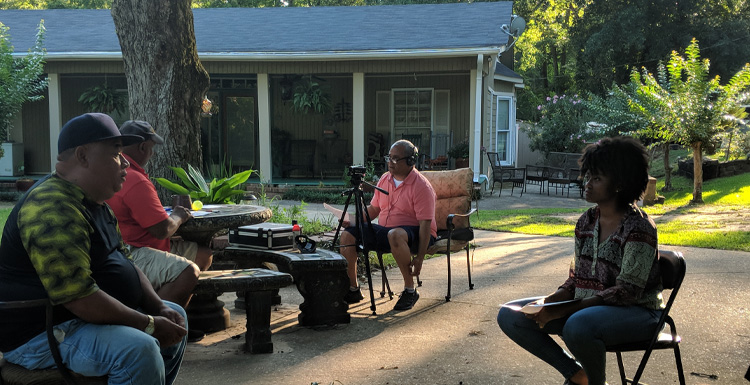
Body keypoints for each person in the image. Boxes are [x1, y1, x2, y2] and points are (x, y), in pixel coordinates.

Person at [0, 113, 188, 384]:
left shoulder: (95, 203)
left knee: (175, 314)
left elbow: (127, 262)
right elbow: (79, 298)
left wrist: (157, 305)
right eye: (116, 153)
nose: (125, 162)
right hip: (44, 332)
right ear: (83, 156)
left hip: (79, 321)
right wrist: (147, 323)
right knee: (139, 350)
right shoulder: (51, 207)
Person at [497, 136, 663, 385]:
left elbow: (627, 292)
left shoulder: (638, 227)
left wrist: (563, 310)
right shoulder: (586, 222)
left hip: (639, 313)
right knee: (511, 315)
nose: (586, 184)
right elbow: (578, 279)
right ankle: (578, 375)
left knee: (577, 325)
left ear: (619, 184)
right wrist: (549, 301)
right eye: (587, 176)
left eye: (596, 179)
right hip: (586, 310)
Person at [107, 120, 210, 309]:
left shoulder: (111, 173)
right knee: (188, 271)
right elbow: (161, 230)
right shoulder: (135, 180)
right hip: (134, 251)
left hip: (121, 247)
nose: (152, 154)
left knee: (203, 254)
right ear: (143, 147)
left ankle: (182, 314)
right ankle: (160, 321)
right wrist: (179, 215)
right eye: (152, 149)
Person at [340, 139, 437, 311]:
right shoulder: (385, 179)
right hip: (387, 232)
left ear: (410, 161)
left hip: (416, 234)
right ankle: (353, 289)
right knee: (348, 234)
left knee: (395, 234)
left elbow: (425, 225)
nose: (389, 162)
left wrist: (420, 258)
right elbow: (374, 209)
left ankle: (410, 290)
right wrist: (353, 220)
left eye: (395, 158)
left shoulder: (422, 186)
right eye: (389, 157)